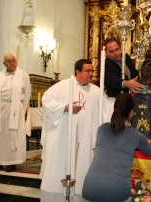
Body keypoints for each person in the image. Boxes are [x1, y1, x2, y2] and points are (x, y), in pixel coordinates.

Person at [40, 59, 114, 202]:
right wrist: (64, 108)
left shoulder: (95, 91)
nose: (91, 74)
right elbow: (46, 101)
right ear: (77, 72)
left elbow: (108, 106)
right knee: (64, 165)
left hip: (86, 139)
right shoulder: (62, 87)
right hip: (66, 140)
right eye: (87, 71)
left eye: (92, 71)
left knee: (83, 168)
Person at [82, 93, 151, 201]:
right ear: (132, 112)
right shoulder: (135, 134)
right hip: (117, 191)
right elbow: (150, 151)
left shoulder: (102, 129)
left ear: (114, 108)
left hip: (90, 188)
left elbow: (115, 142)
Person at [0, 54, 31, 172]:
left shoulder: (23, 75)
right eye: (9, 61)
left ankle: (11, 162)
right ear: (4, 64)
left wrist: (21, 109)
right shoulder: (0, 75)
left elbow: (27, 94)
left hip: (15, 108)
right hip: (0, 108)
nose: (12, 63)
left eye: (13, 60)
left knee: (12, 135)